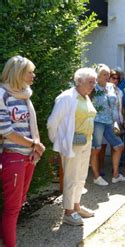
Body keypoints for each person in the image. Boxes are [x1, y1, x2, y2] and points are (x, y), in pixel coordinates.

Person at [0, 55, 45, 247]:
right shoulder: (2, 95)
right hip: (13, 157)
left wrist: (35, 147)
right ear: (18, 73)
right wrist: (33, 145)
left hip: (28, 157)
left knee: (18, 204)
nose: (33, 75)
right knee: (12, 209)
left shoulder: (25, 94)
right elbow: (5, 131)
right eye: (30, 72)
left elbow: (30, 124)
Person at [47, 68, 97, 226]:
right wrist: (59, 143)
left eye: (94, 82)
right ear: (79, 81)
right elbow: (52, 123)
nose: (93, 85)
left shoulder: (85, 97)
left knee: (81, 176)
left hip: (86, 142)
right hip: (72, 143)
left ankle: (76, 206)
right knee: (71, 178)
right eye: (90, 82)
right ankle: (68, 212)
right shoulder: (66, 98)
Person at [90, 64, 125, 185]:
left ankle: (115, 175)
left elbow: (117, 104)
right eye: (104, 74)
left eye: (108, 74)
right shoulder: (93, 88)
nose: (107, 77)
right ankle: (96, 177)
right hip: (97, 122)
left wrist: (119, 120)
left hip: (111, 122)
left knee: (119, 146)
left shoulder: (111, 87)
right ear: (97, 76)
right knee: (96, 149)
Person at [97, 69, 125, 175]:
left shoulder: (119, 91)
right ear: (108, 78)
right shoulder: (102, 89)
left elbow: (120, 108)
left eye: (117, 78)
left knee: (116, 144)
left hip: (116, 122)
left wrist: (123, 121)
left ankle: (115, 169)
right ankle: (100, 168)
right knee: (102, 145)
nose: (116, 80)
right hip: (104, 121)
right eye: (113, 78)